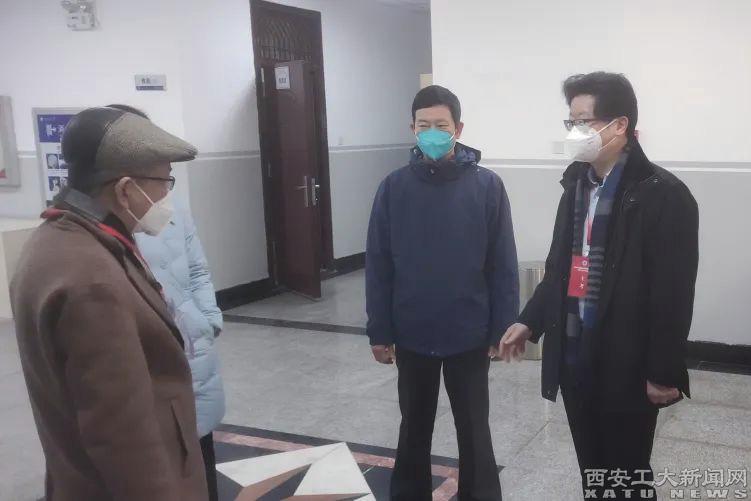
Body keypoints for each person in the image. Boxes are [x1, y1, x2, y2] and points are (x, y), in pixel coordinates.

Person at [499, 72, 699, 500]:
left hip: (626, 362)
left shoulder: (663, 195)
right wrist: (529, 321)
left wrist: (662, 371)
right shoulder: (575, 186)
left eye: (583, 122)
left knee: (627, 473)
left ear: (619, 125)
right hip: (575, 354)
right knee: (593, 470)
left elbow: (672, 295)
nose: (574, 132)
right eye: (570, 122)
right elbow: (559, 269)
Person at [11, 106, 208, 501]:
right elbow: (122, 437)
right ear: (125, 190)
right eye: (164, 182)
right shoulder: (91, 279)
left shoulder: (61, 241)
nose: (167, 196)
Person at [366, 85, 519, 501]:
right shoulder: (393, 187)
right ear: (412, 129)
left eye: (441, 125)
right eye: (424, 125)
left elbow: (502, 264)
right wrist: (379, 330)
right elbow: (378, 265)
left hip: (469, 332)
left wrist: (501, 329)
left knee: (474, 428)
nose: (432, 133)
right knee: (414, 426)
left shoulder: (487, 186)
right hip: (412, 330)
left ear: (458, 129)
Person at [136, 207, 226, 501]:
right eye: (163, 182)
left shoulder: (175, 211)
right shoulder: (103, 229)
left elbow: (198, 270)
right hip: (146, 351)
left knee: (199, 443)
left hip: (193, 342)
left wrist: (208, 319)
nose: (166, 189)